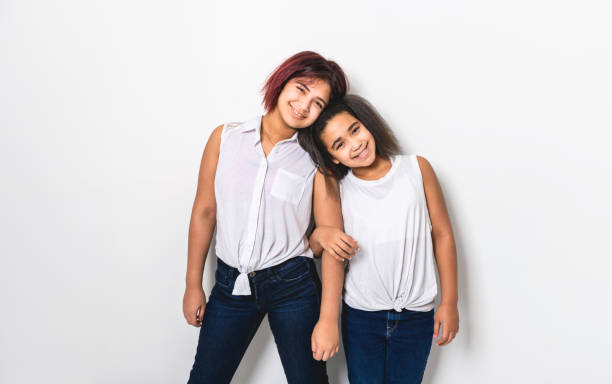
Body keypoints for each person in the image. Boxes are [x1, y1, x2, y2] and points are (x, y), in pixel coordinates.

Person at [182, 51, 350, 384]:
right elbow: (204, 211)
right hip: (231, 284)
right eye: (301, 88)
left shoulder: (317, 161)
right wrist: (192, 284)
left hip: (294, 286)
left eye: (318, 103)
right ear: (282, 81)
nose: (304, 105)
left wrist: (329, 318)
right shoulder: (225, 138)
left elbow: (333, 240)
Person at [303, 95, 460, 384]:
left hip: (417, 316)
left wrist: (449, 302)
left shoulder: (417, 168)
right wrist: (327, 319)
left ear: (367, 124)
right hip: (362, 318)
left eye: (354, 130)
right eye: (340, 144)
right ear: (334, 158)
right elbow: (333, 256)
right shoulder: (339, 188)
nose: (355, 143)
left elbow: (442, 235)